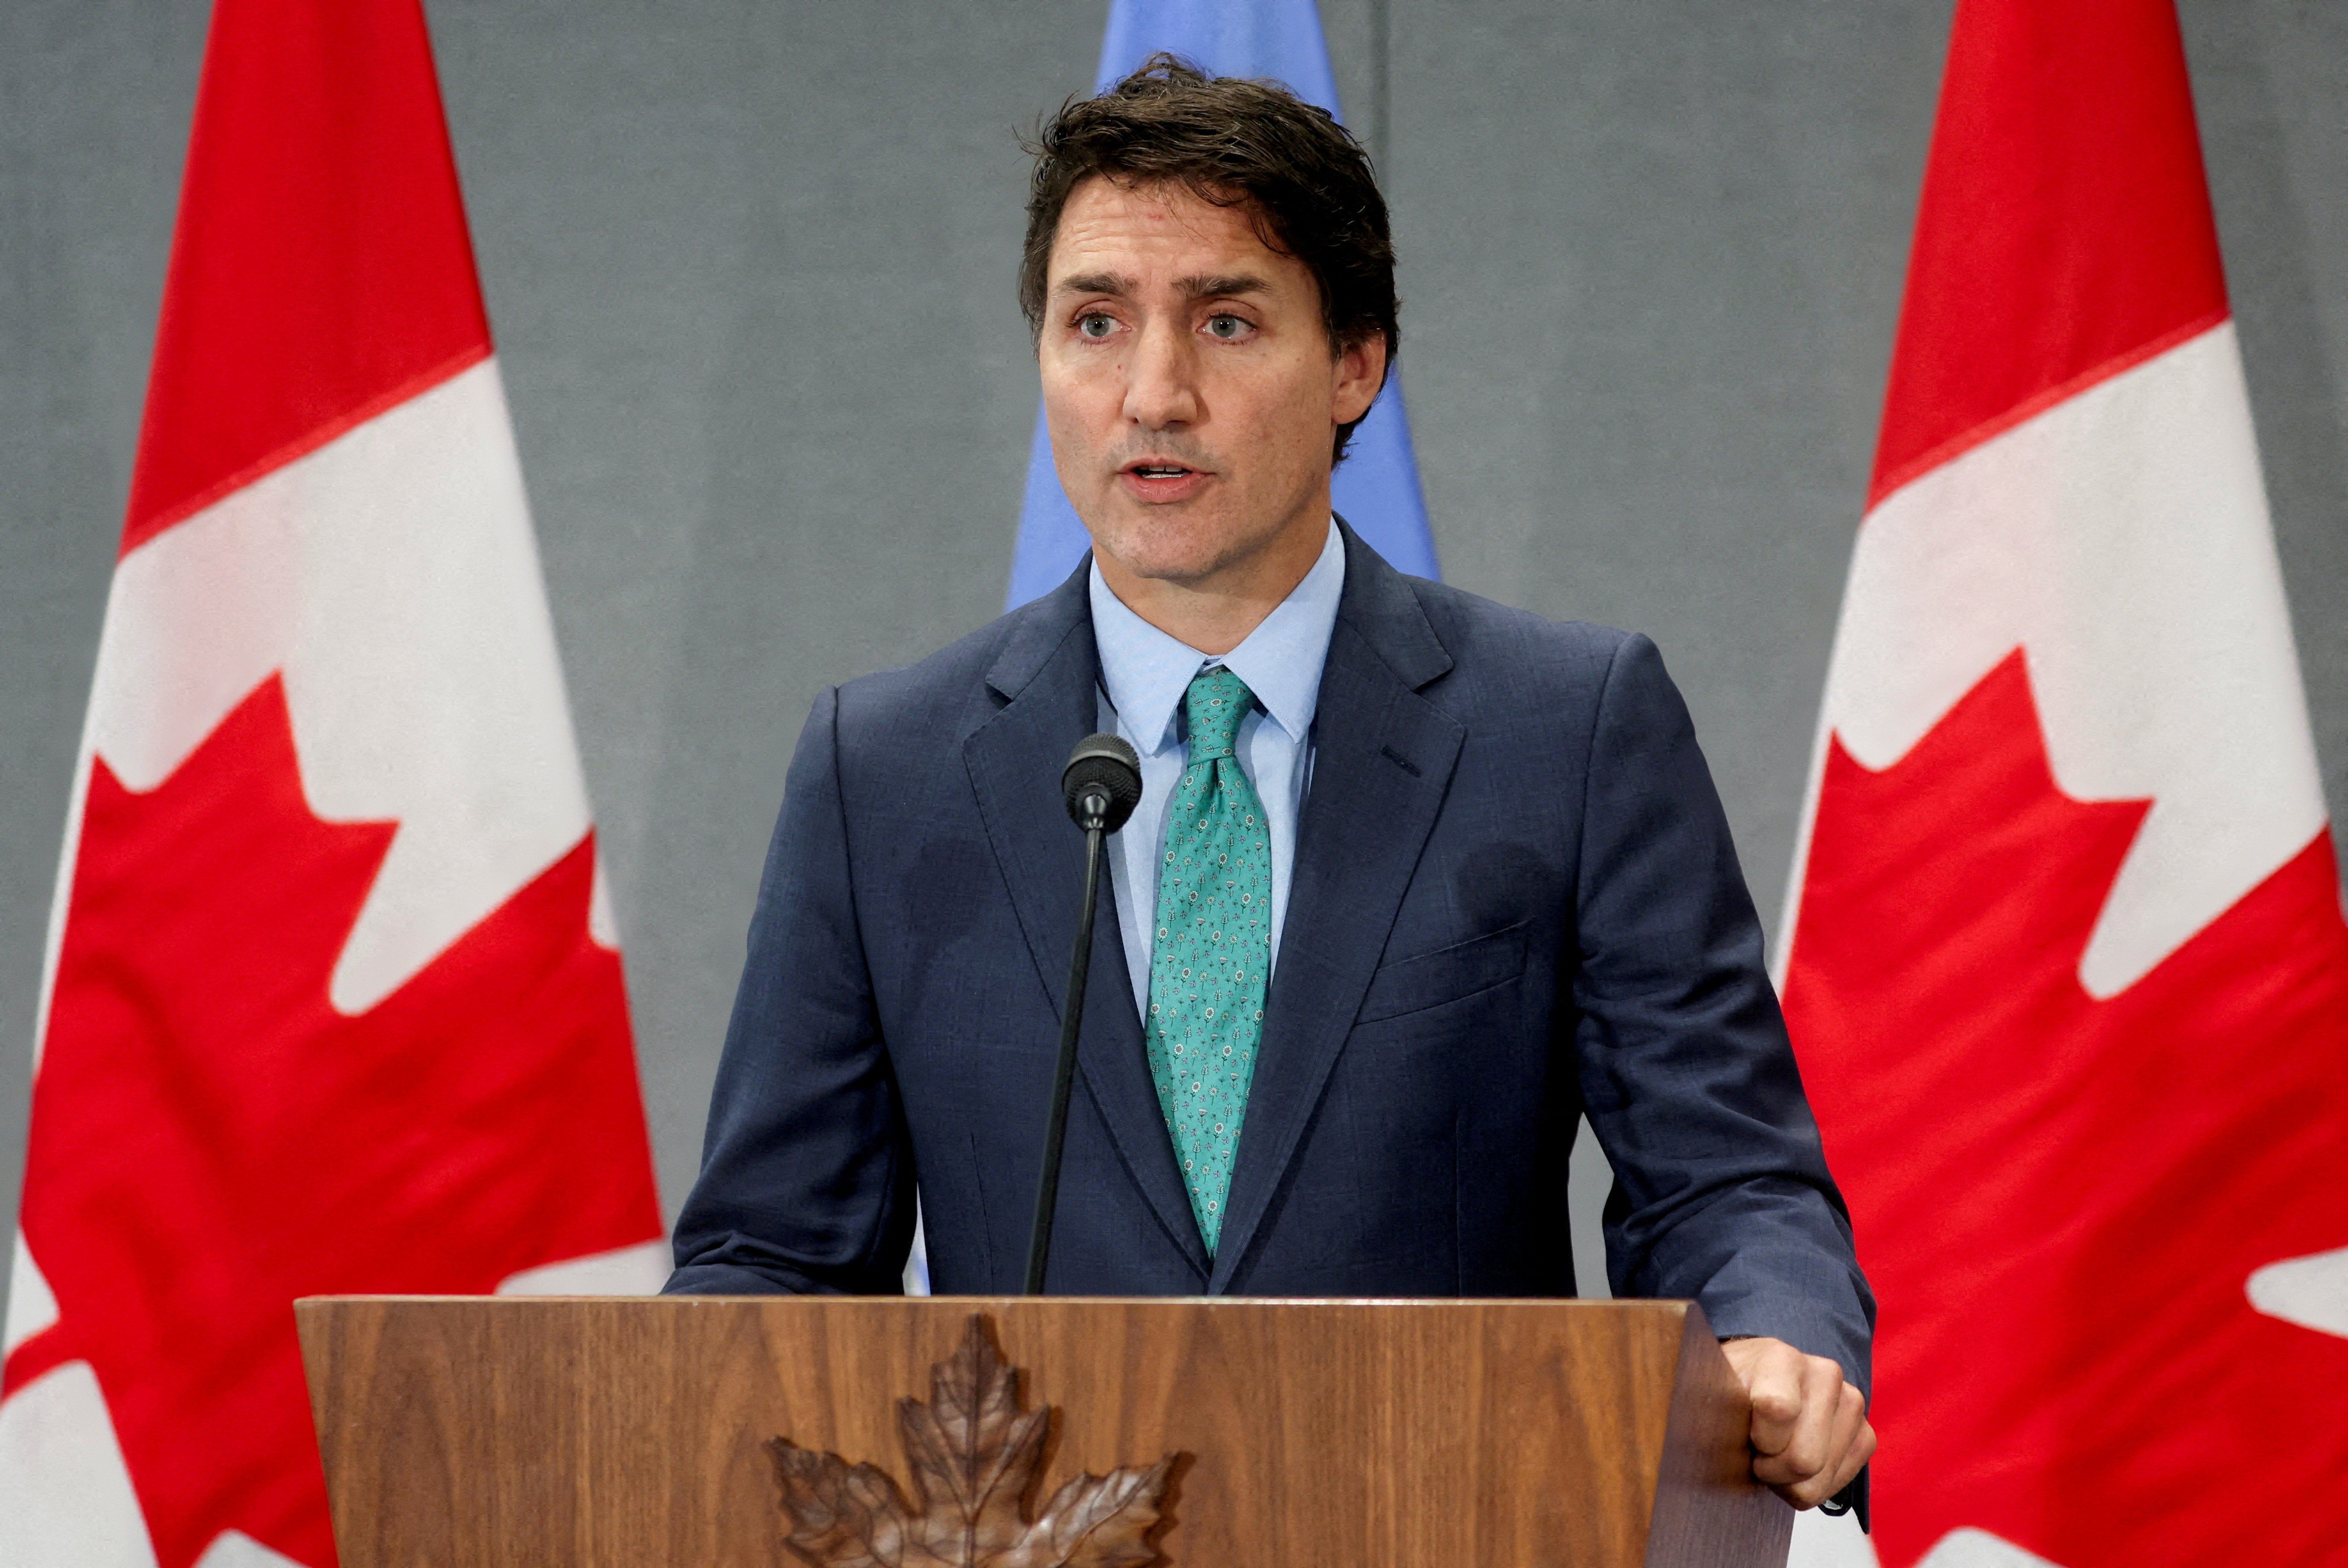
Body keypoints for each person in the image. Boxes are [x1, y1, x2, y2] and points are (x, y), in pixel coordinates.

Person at [668, 56, 1876, 1513]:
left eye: (1225, 322)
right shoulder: (886, 768)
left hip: (1463, 1522)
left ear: (1354, 361)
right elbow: (774, 1262)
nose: (1152, 393)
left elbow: (1721, 1176)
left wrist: (1773, 1332)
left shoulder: (1564, 727)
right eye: (1094, 322)